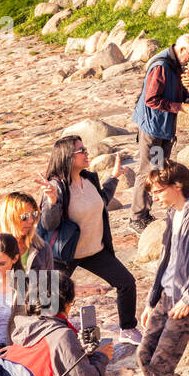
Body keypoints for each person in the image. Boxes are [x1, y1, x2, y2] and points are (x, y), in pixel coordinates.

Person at [111, 162, 189, 376]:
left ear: (178, 187)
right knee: (144, 356)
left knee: (161, 366)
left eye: (159, 190)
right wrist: (150, 301)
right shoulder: (171, 212)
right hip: (164, 298)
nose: (156, 196)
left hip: (185, 303)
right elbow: (166, 261)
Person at [39, 136, 141, 344]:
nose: (86, 153)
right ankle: (46, 340)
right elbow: (48, 224)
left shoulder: (89, 179)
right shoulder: (56, 186)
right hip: (65, 255)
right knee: (50, 301)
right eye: (81, 150)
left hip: (94, 251)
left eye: (84, 148)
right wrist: (51, 201)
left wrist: (113, 178)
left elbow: (101, 201)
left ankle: (128, 329)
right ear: (67, 157)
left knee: (126, 282)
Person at [131, 34, 189, 231]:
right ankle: (137, 218)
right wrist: (180, 107)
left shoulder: (176, 64)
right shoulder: (161, 66)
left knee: (159, 169)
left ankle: (145, 213)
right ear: (181, 50)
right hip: (153, 128)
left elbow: (178, 91)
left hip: (163, 128)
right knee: (149, 171)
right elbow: (151, 100)